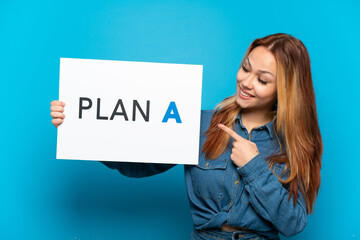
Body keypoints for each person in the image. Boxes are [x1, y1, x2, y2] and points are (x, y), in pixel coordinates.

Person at [50, 33, 323, 240]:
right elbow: (137, 165)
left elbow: (292, 223)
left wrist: (254, 166)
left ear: (285, 90)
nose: (246, 81)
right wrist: (81, 127)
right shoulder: (201, 124)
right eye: (245, 68)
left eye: (262, 80)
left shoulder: (295, 143)